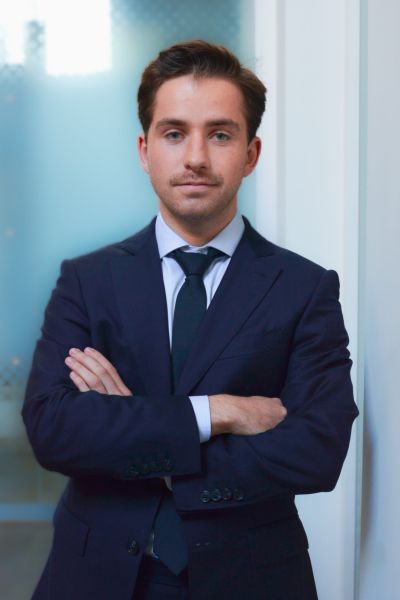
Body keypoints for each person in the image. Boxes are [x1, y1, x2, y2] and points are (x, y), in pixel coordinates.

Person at [23, 40, 358, 600]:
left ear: (251, 154)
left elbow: (316, 451)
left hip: (250, 582)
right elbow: (54, 431)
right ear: (145, 149)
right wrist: (217, 412)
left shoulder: (304, 288)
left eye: (220, 135)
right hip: (95, 576)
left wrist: (134, 436)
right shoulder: (87, 280)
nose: (196, 157)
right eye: (174, 133)